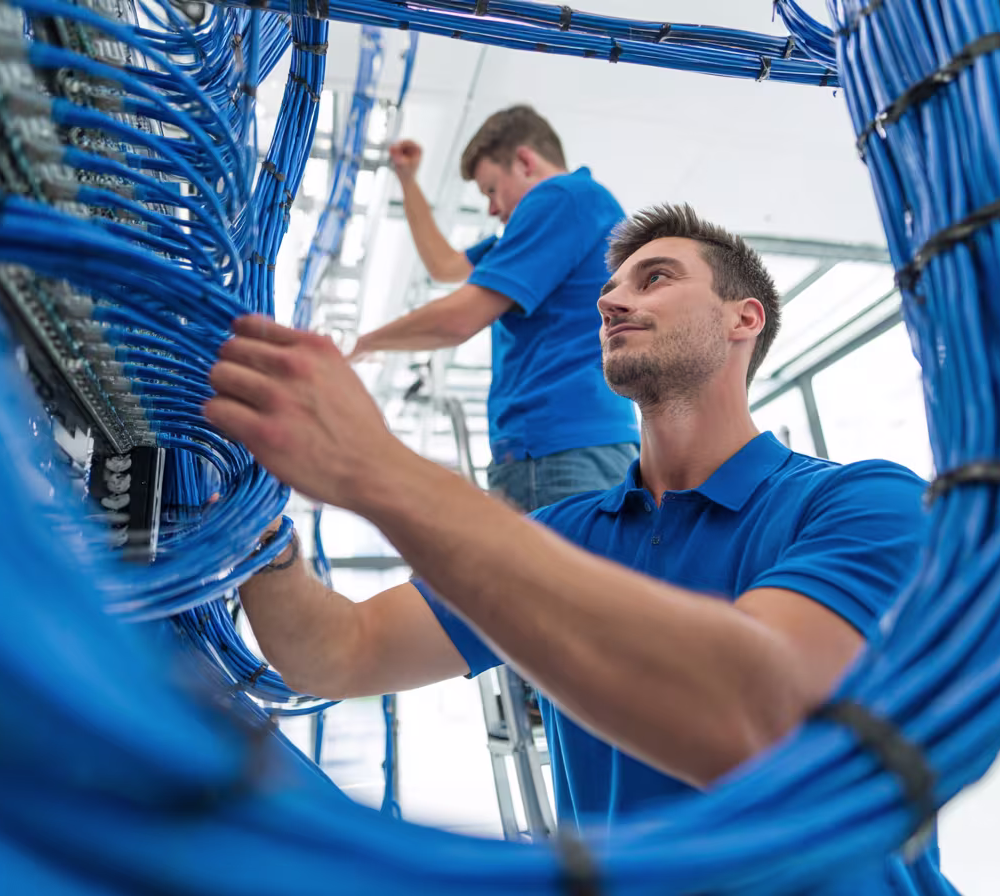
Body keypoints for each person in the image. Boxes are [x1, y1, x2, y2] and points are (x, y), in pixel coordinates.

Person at [205, 204, 945, 893]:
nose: (610, 303)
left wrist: (379, 468)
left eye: (655, 279)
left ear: (742, 318)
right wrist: (257, 530)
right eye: (611, 288)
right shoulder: (562, 534)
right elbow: (339, 650)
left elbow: (755, 714)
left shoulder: (863, 504)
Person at [350, 105, 639, 513]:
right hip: (550, 450)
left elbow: (459, 319)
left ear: (524, 162)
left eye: (490, 189)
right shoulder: (545, 225)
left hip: (562, 446)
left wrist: (362, 343)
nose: (490, 208)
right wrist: (408, 180)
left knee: (544, 577)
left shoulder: (562, 198)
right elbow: (445, 266)